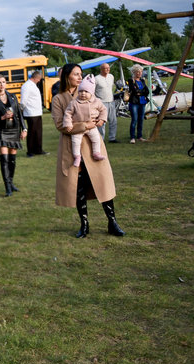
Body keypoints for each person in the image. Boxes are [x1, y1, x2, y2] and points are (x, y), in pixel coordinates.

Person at [51, 64, 125, 238]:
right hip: (72, 148)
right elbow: (61, 125)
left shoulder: (88, 92)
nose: (79, 77)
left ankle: (112, 222)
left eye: (80, 74)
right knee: (78, 187)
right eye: (76, 74)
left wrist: (100, 121)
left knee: (103, 182)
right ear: (67, 76)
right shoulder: (59, 99)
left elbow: (100, 110)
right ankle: (84, 225)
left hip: (93, 146)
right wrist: (85, 125)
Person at [0, 74, 27, 197]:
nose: (2, 84)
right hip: (2, 132)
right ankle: (7, 187)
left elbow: (20, 114)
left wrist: (24, 129)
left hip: (14, 130)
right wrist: (2, 117)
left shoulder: (13, 96)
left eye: (3, 82)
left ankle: (11, 182)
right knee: (4, 159)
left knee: (12, 160)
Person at [63, 74, 108, 167]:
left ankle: (96, 153)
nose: (83, 93)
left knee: (96, 139)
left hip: (92, 125)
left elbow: (103, 110)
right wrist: (68, 124)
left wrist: (102, 119)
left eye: (86, 91)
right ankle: (77, 156)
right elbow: (68, 113)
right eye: (81, 91)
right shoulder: (74, 103)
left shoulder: (96, 101)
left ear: (91, 93)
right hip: (78, 126)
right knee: (75, 141)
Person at [20, 70, 47, 157]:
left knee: (38, 132)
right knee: (32, 133)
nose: (39, 81)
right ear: (35, 78)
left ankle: (38, 149)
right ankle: (30, 151)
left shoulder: (33, 85)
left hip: (37, 112)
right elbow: (23, 100)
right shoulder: (26, 86)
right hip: (30, 112)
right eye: (39, 79)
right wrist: (21, 109)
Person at [94, 63, 119, 143]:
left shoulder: (111, 76)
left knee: (113, 121)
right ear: (101, 69)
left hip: (111, 101)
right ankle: (101, 139)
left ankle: (112, 138)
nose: (108, 69)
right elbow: (92, 91)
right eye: (106, 68)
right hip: (101, 103)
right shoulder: (96, 79)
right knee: (102, 122)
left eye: (108, 68)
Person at [127, 64, 149, 144]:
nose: (139, 73)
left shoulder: (142, 80)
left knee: (141, 119)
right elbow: (134, 91)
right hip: (134, 102)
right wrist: (140, 92)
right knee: (134, 119)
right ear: (134, 72)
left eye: (140, 71)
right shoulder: (131, 80)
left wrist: (140, 93)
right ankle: (132, 137)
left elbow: (147, 91)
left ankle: (140, 136)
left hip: (142, 102)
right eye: (137, 72)